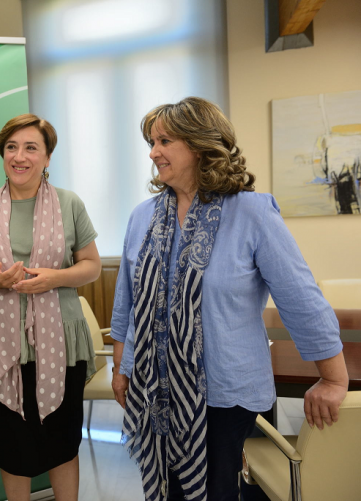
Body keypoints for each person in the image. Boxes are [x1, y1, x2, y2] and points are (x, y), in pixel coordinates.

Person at [110, 97, 349, 501]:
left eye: (164, 141)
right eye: (151, 142)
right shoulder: (142, 217)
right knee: (169, 491)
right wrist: (123, 367)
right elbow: (127, 301)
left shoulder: (251, 212)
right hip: (154, 383)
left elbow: (300, 298)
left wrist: (332, 377)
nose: (153, 153)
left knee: (214, 490)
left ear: (200, 145)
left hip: (225, 391)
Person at [0, 114, 102, 501]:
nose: (19, 156)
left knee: (63, 441)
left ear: (48, 157)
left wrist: (54, 278)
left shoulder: (69, 204)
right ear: (3, 153)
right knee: (11, 444)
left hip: (60, 344)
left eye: (31, 147)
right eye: (11, 147)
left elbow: (91, 266)